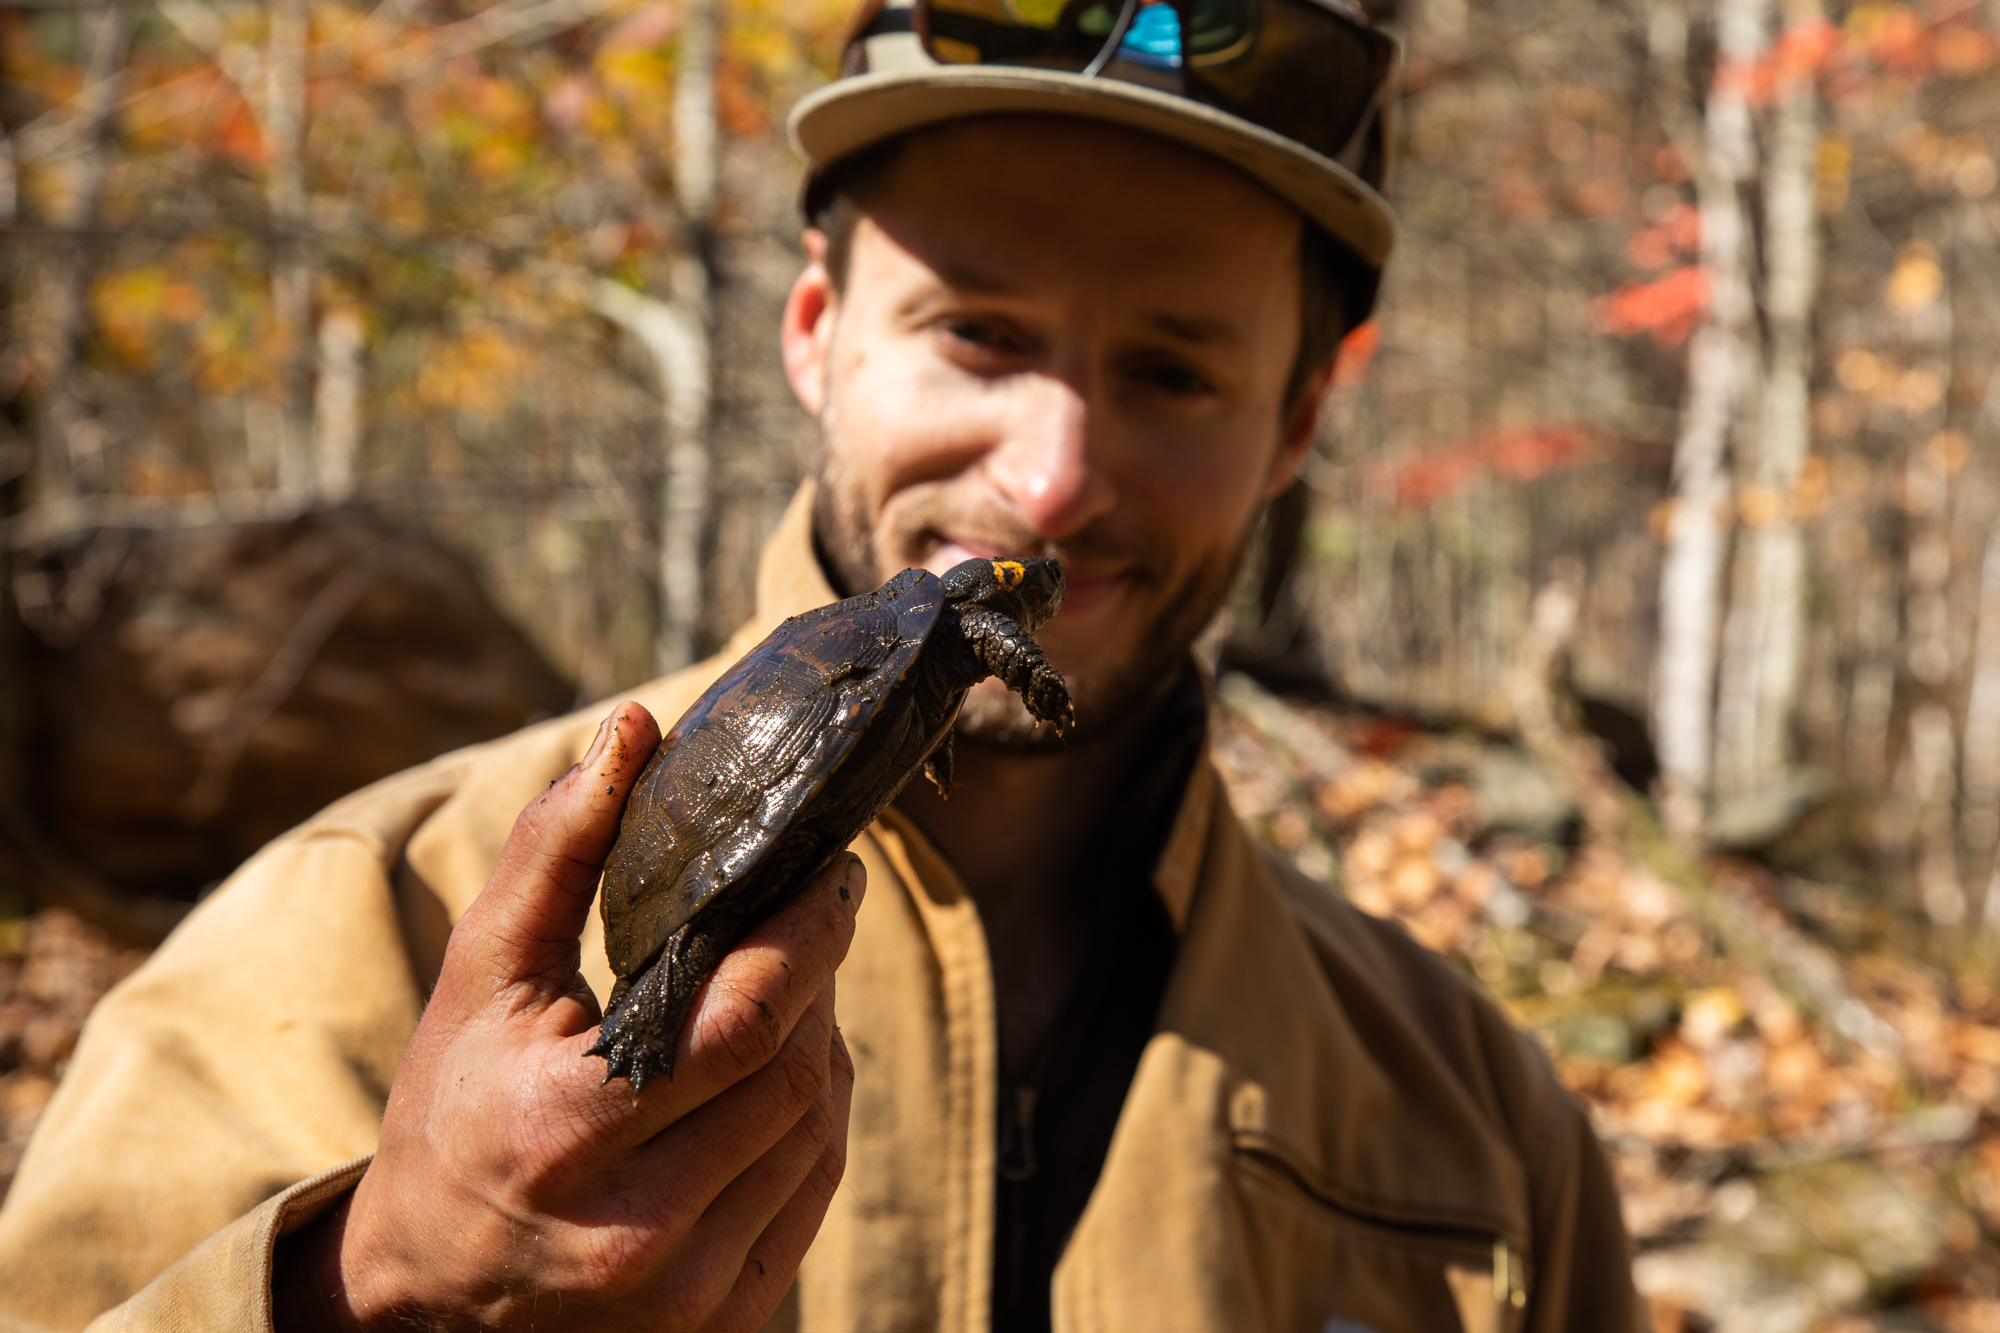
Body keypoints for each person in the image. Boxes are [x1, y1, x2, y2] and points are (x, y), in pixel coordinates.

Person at [0, 0, 1643, 1328]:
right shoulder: (353, 934)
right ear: (815, 333)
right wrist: (373, 1289)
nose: (1053, 476)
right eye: (978, 333)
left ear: (1297, 422)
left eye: (1173, 369)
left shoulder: (1476, 1132)